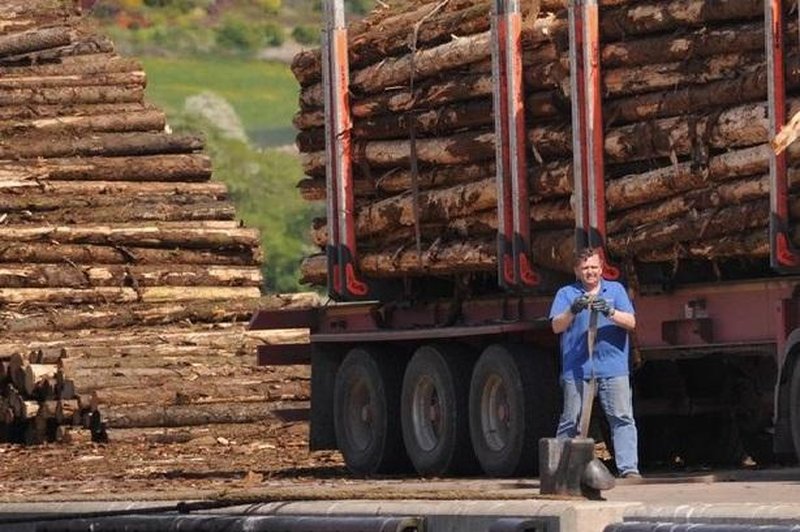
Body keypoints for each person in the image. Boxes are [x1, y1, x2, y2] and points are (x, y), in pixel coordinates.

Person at [548, 247, 641, 478]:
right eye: (585, 268)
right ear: (577, 271)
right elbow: (556, 326)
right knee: (571, 420)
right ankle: (560, 472)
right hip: (577, 369)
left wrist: (610, 311)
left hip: (612, 367)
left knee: (621, 418)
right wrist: (572, 310)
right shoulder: (566, 293)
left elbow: (631, 322)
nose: (590, 272)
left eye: (594, 267)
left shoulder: (616, 290)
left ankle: (629, 470)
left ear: (601, 268)